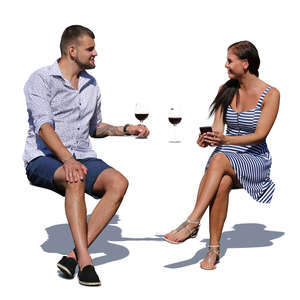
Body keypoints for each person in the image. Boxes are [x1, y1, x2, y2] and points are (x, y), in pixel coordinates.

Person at [23, 25, 149, 286]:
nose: (96, 53)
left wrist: (127, 129)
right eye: (90, 49)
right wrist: (68, 160)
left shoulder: (92, 85)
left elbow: (95, 129)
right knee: (76, 177)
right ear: (72, 50)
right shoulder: (41, 79)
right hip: (43, 157)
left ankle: (72, 256)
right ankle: (86, 262)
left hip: (82, 155)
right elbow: (44, 128)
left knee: (119, 182)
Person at [164, 41, 280, 270]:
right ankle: (213, 250)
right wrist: (209, 140)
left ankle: (192, 222)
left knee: (219, 159)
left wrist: (224, 141)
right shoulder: (225, 89)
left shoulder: (271, 94)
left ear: (245, 64)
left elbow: (260, 135)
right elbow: (218, 129)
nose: (225, 64)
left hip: (254, 157)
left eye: (230, 60)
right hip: (226, 156)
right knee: (222, 181)